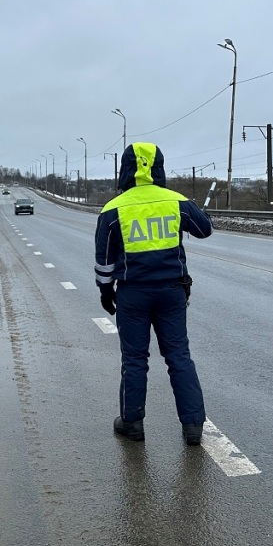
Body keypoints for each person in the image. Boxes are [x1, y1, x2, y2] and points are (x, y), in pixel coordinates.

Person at [94, 142, 213, 446]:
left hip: (132, 294)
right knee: (178, 355)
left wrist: (106, 292)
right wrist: (195, 210)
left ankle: (132, 422)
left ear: (125, 169)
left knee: (134, 359)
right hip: (173, 292)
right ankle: (193, 427)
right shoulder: (176, 202)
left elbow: (104, 260)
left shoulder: (112, 210)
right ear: (158, 166)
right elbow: (204, 229)